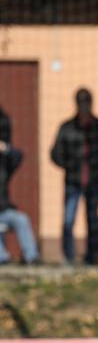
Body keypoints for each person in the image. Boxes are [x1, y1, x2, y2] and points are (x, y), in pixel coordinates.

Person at [51, 88, 98, 264]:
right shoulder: (67, 127)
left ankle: (92, 256)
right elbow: (55, 153)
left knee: (93, 221)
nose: (84, 105)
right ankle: (69, 256)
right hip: (73, 181)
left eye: (87, 102)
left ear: (91, 103)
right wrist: (70, 165)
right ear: (77, 104)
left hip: (95, 182)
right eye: (81, 102)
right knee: (68, 219)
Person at [0, 106, 39, 264]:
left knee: (21, 219)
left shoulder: (3, 165)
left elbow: (18, 157)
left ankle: (31, 257)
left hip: (4, 211)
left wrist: (6, 149)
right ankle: (2, 258)